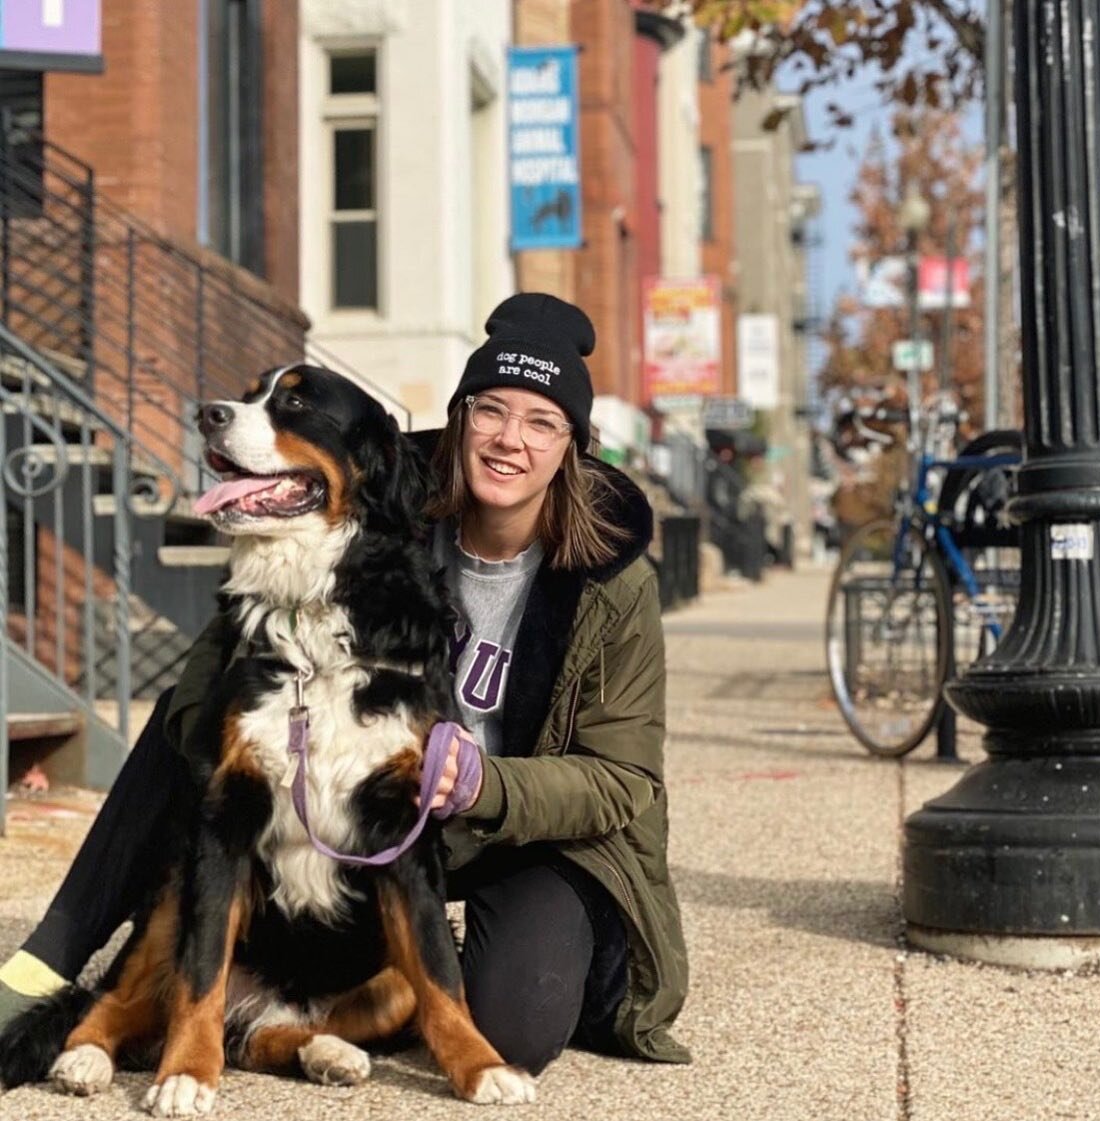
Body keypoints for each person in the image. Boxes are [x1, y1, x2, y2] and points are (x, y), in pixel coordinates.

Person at [0, 293, 690, 1076]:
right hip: (357, 820)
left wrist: (482, 783)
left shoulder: (612, 584)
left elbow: (621, 778)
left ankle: (322, 1003)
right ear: (460, 416)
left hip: (512, 830)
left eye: (540, 422)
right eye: (490, 410)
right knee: (187, 721)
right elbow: (211, 668)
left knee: (520, 1029)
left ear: (572, 445)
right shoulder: (381, 506)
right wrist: (249, 744)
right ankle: (46, 964)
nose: (508, 440)